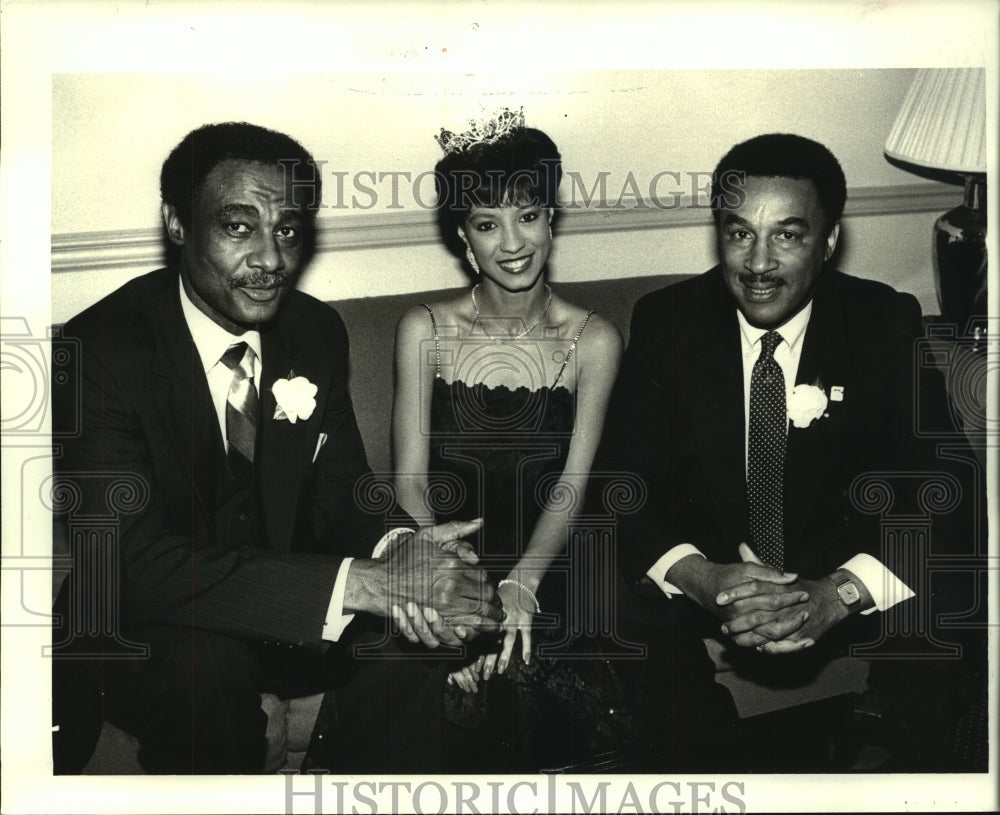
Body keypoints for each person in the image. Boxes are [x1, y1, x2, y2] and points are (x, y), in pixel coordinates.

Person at [51, 122, 502, 775]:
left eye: (287, 230)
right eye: (239, 227)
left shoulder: (314, 331)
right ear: (177, 223)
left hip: (287, 608)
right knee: (205, 665)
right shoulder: (100, 350)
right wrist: (362, 583)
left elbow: (346, 490)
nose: (270, 259)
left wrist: (403, 552)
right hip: (150, 623)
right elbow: (129, 561)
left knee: (410, 640)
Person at [596, 133, 984, 771]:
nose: (758, 263)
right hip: (714, 577)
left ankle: (878, 748)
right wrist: (705, 580)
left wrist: (837, 594)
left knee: (962, 581)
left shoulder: (883, 322)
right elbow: (620, 487)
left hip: (840, 573)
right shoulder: (669, 322)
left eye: (788, 235)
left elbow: (947, 488)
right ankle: (710, 765)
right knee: (602, 591)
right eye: (739, 232)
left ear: (828, 241)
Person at [391, 109, 624, 771]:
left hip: (552, 555)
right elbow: (407, 477)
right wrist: (445, 581)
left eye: (528, 215)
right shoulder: (423, 329)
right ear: (464, 240)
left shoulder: (595, 339)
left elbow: (576, 481)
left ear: (552, 220)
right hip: (440, 546)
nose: (512, 242)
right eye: (487, 223)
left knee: (534, 680)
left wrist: (521, 583)